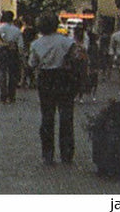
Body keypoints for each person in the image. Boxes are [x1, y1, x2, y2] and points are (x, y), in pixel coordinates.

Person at [27, 12, 79, 166]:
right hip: (64, 78)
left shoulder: (36, 44)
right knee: (66, 117)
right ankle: (67, 154)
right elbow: (74, 58)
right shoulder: (66, 42)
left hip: (46, 79)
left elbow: (32, 63)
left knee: (47, 117)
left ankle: (48, 154)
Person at [0, 10, 24, 103]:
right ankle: (12, 96)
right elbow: (21, 45)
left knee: (2, 73)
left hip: (3, 51)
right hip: (13, 52)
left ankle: (3, 95)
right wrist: (21, 55)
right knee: (12, 74)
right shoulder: (16, 30)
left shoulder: (0, 28)